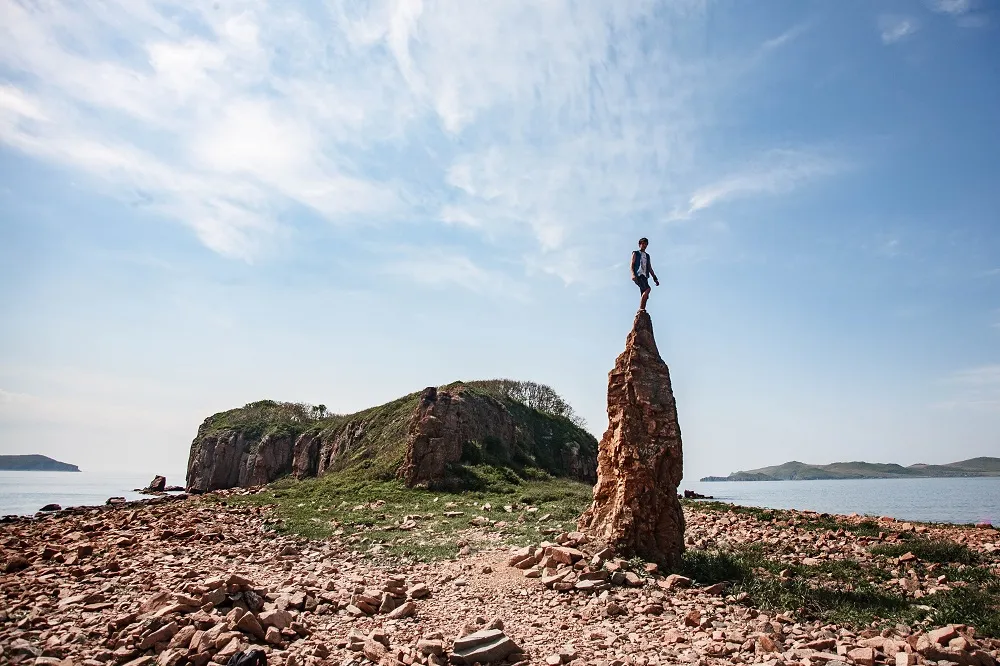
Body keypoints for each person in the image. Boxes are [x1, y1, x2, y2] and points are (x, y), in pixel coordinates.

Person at [631, 237, 659, 311]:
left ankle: (642, 311)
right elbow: (632, 264)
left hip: (644, 276)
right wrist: (633, 274)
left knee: (645, 295)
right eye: (643, 244)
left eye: (646, 244)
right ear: (639, 244)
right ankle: (641, 309)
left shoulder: (647, 256)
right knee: (647, 289)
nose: (644, 245)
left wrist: (655, 278)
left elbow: (649, 267)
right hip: (638, 275)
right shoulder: (635, 253)